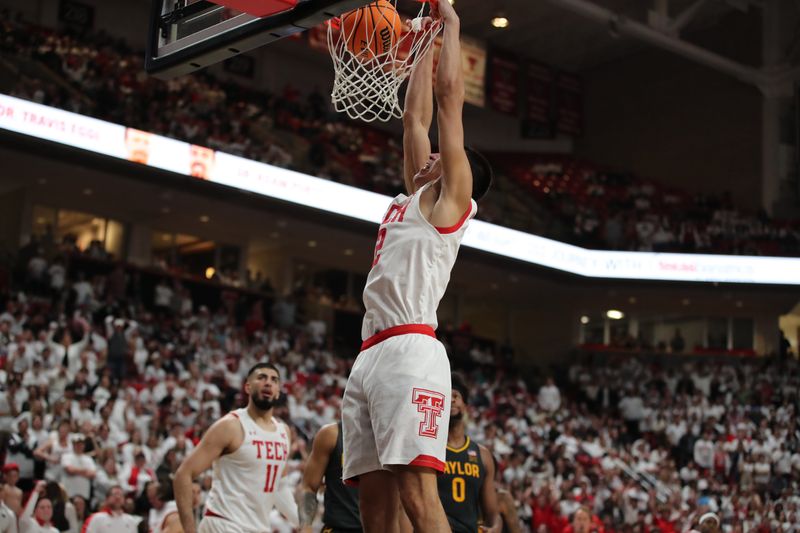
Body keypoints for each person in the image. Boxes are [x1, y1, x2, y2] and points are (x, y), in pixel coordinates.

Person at [341, 1, 492, 531]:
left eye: (444, 157)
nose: (429, 155)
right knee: (375, 507)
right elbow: (416, 117)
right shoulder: (413, 195)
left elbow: (449, 107)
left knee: (417, 495)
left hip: (411, 349)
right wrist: (421, 39)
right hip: (369, 353)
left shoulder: (449, 203)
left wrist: (448, 22)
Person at [173, 362, 298, 533]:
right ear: (247, 387)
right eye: (261, 378)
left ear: (278, 392)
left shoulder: (284, 432)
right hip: (223, 524)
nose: (268, 383)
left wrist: (304, 523)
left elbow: (280, 487)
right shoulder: (230, 426)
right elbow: (183, 475)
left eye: (274, 380)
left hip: (258, 528)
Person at [434, 373, 498, 533]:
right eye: (447, 396)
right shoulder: (430, 449)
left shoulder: (483, 455)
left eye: (456, 395)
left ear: (466, 406)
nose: (452, 399)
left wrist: (496, 527)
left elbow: (493, 515)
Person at [297, 422, 360, 533]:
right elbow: (308, 486)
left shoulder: (389, 438)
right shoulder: (331, 434)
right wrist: (306, 527)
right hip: (339, 527)